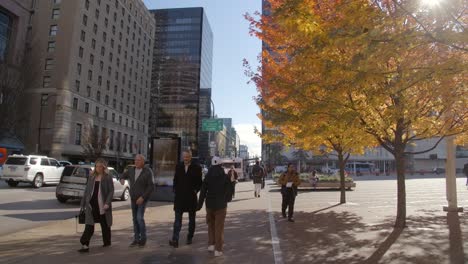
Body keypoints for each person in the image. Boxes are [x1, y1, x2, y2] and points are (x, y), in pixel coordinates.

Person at [197, 156, 233, 257]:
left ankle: (211, 244)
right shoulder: (225, 176)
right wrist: (227, 199)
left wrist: (199, 205)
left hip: (209, 204)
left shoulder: (207, 176)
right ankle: (218, 249)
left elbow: (203, 191)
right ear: (221, 164)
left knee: (210, 225)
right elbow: (229, 191)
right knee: (219, 227)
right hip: (221, 205)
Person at [78, 159, 114, 253]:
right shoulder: (91, 176)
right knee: (89, 225)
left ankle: (107, 242)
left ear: (104, 167)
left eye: (100, 166)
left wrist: (107, 203)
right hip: (91, 205)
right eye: (97, 166)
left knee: (105, 225)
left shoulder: (107, 177)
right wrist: (83, 203)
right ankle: (85, 244)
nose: (98, 168)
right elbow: (87, 190)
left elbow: (111, 191)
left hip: (102, 204)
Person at [169, 150, 202, 248]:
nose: (186, 159)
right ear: (182, 157)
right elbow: (175, 179)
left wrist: (196, 190)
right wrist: (175, 189)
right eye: (184, 157)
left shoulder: (197, 167)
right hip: (179, 198)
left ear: (191, 157)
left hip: (191, 198)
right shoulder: (178, 166)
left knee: (192, 220)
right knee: (177, 220)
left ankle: (189, 237)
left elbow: (200, 182)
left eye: (187, 157)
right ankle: (175, 239)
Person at [120, 154, 154, 247]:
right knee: (134, 219)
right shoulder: (131, 170)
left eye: (138, 160)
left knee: (139, 218)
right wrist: (122, 179)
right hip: (133, 198)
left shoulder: (148, 171)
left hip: (142, 199)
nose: (136, 162)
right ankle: (136, 239)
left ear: (143, 161)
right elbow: (123, 174)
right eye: (135, 160)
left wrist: (142, 197)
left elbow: (151, 186)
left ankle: (143, 239)